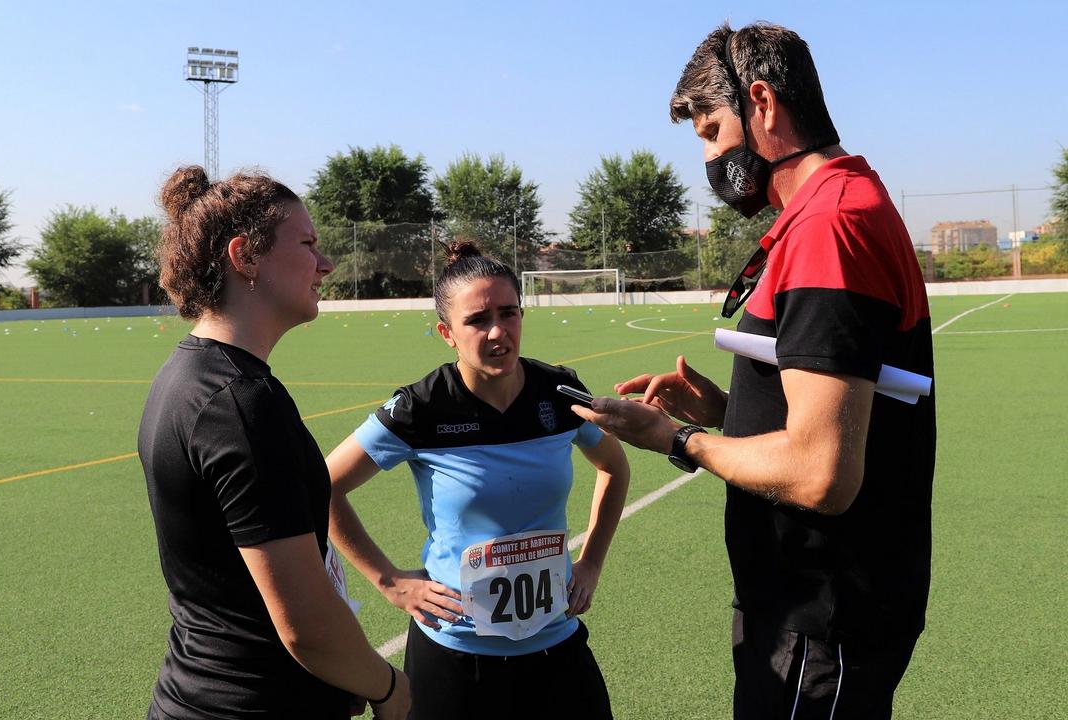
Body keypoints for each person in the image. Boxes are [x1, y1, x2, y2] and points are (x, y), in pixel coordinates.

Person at [572, 22, 936, 719]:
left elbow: (823, 473)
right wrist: (725, 410)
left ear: (762, 102)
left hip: (820, 615)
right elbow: (843, 400)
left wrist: (677, 440)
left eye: (712, 130)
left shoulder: (829, 225)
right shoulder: (837, 205)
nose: (709, 157)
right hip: (817, 610)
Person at [138, 166, 410, 719]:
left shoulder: (189, 376)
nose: (325, 264)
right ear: (245, 257)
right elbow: (305, 624)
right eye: (307, 244)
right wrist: (389, 688)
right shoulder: (240, 404)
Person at [325, 241, 630, 720]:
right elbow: (322, 487)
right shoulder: (421, 408)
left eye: (509, 314)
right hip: (453, 656)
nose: (498, 332)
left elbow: (614, 467)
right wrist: (389, 581)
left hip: (556, 645)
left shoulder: (558, 393)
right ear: (447, 333)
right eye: (477, 320)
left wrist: (590, 562)